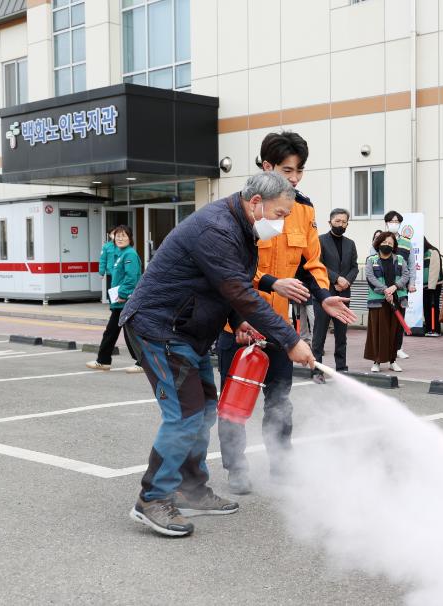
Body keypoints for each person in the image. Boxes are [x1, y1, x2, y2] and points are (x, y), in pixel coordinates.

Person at [121, 172, 328, 537]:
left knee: (203, 412)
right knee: (185, 414)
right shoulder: (216, 229)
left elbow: (227, 285)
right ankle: (152, 499)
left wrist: (237, 321)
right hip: (160, 328)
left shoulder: (241, 228)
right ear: (256, 203)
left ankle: (190, 489)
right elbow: (240, 292)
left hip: (188, 332)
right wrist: (289, 340)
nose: (282, 223)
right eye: (280, 214)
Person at [215, 131, 354, 495]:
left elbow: (311, 262)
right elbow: (231, 270)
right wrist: (261, 293)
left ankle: (281, 464)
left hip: (279, 326)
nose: (294, 178)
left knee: (280, 400)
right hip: (239, 322)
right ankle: (236, 468)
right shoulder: (245, 206)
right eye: (287, 170)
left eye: (299, 170)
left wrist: (323, 296)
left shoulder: (303, 208)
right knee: (234, 400)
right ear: (267, 166)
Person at [85, 225, 143, 373]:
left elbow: (131, 278)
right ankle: (103, 361)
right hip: (119, 302)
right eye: (118, 236)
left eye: (123, 236)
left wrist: (122, 294)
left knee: (131, 333)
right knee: (111, 332)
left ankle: (143, 363)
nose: (120, 238)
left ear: (130, 238)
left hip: (126, 300)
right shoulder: (120, 253)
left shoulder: (129, 254)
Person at [311, 208, 358, 383]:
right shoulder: (320, 240)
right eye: (337, 221)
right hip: (324, 294)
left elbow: (354, 267)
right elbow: (318, 264)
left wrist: (346, 281)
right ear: (330, 222)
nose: (341, 224)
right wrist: (336, 278)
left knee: (341, 334)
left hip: (343, 293)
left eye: (344, 222)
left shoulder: (350, 243)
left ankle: (341, 368)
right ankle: (317, 370)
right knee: (319, 334)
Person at [365, 231, 410, 372]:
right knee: (378, 331)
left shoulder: (400, 259)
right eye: (384, 242)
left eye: (390, 243)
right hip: (378, 301)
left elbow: (406, 275)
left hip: (397, 299)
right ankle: (377, 361)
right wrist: (385, 290)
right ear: (378, 243)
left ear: (394, 245)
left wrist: (394, 287)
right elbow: (370, 277)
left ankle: (392, 360)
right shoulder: (371, 260)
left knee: (395, 332)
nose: (387, 245)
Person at [384, 211, 415, 358]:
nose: (394, 224)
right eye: (391, 221)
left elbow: (412, 265)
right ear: (386, 223)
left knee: (400, 316)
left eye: (397, 222)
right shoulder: (380, 239)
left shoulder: (407, 242)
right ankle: (385, 348)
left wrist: (412, 283)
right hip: (384, 286)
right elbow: (372, 259)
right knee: (384, 318)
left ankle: (398, 348)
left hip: (401, 286)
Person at [422, 237, 443, 336]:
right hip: (423, 286)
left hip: (434, 285)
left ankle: (435, 329)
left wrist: (431, 287)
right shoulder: (419, 253)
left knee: (433, 306)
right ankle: (428, 329)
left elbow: (434, 270)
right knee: (426, 307)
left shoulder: (433, 251)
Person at [99, 228, 117, 301]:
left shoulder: (122, 245)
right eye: (113, 233)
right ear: (109, 235)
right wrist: (101, 272)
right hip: (110, 273)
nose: (114, 235)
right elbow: (103, 260)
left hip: (121, 273)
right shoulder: (106, 246)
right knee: (112, 291)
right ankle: (112, 305)